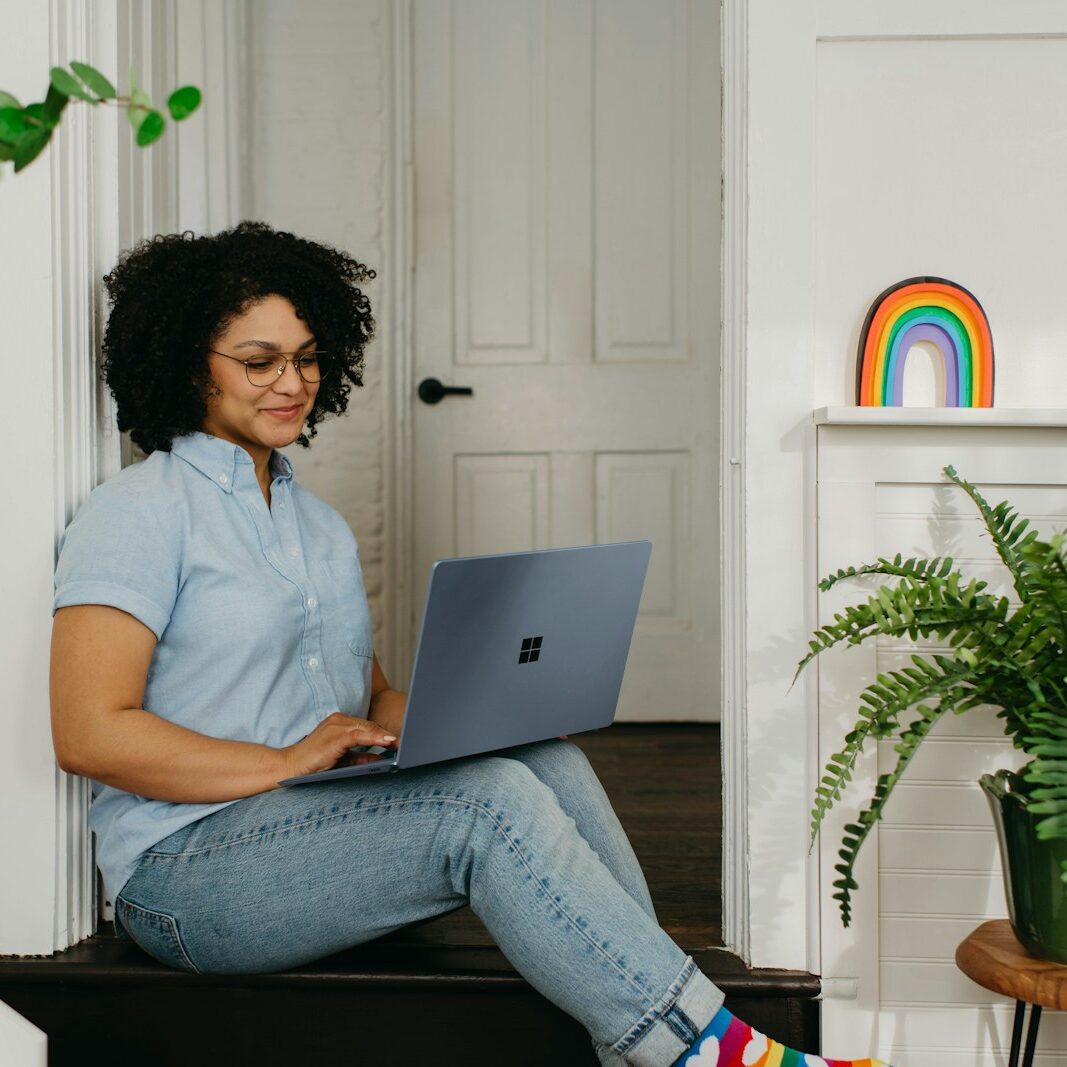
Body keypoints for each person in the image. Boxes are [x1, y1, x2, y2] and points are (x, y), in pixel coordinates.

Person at [49, 221, 887, 1067]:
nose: (292, 383)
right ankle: (710, 1052)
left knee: (542, 766)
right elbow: (89, 730)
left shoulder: (319, 526)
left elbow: (366, 697)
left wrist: (490, 718)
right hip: (187, 872)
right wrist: (283, 762)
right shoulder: (139, 512)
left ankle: (669, 1033)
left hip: (304, 823)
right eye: (259, 360)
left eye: (306, 358)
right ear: (191, 363)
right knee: (486, 802)